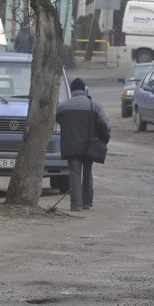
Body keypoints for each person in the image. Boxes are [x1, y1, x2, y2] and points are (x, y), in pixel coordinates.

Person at [56, 78, 111, 212]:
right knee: (87, 173)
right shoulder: (94, 105)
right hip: (89, 146)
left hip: (71, 146)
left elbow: (57, 121)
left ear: (72, 89)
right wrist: (104, 138)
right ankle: (86, 202)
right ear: (84, 89)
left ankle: (76, 205)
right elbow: (107, 126)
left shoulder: (63, 106)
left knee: (74, 173)